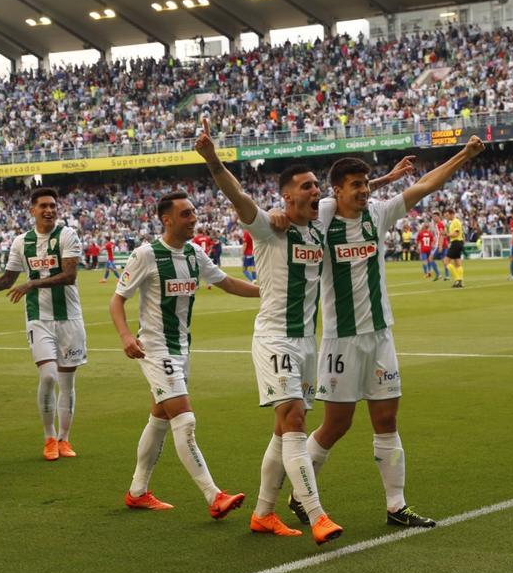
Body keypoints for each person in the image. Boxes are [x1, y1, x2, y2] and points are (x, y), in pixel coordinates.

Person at [303, 139, 484, 529]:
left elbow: (426, 186)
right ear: (337, 190)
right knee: (336, 425)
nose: (364, 190)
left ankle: (396, 506)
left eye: (367, 183)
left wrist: (463, 156)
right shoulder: (323, 220)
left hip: (381, 335)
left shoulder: (378, 214)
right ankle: (303, 494)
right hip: (341, 339)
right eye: (356, 184)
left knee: (387, 419)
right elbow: (294, 208)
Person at [195, 122, 343, 544]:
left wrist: (387, 179)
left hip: (307, 343)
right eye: (307, 186)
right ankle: (317, 515)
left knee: (283, 430)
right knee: (294, 419)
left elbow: (352, 194)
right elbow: (238, 196)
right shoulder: (267, 227)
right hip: (275, 338)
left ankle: (263, 514)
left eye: (317, 185)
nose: (316, 191)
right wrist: (213, 159)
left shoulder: (319, 225)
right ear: (287, 197)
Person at [110, 191, 258, 519]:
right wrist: (125, 336)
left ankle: (137, 492)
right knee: (185, 420)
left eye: (193, 212)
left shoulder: (194, 253)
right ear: (167, 220)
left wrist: (268, 292)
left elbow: (227, 283)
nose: (194, 219)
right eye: (186, 214)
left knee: (159, 419)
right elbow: (117, 299)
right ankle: (214, 495)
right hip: (155, 348)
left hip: (181, 348)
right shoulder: (146, 255)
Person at [0, 188, 86, 461]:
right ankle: (49, 437)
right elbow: (7, 280)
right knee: (49, 376)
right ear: (32, 210)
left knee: (67, 382)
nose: (49, 210)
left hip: (70, 318)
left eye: (53, 205)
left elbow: (69, 275)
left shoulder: (68, 235)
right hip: (38, 318)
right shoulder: (21, 242)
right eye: (43, 206)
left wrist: (32, 283)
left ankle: (64, 439)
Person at [444, 208, 465, 288]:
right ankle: (460, 281)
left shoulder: (455, 222)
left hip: (456, 242)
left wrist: (447, 234)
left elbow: (456, 234)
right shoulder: (454, 222)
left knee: (446, 261)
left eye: (447, 215)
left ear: (452, 214)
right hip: (458, 243)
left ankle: (457, 279)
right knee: (457, 263)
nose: (447, 217)